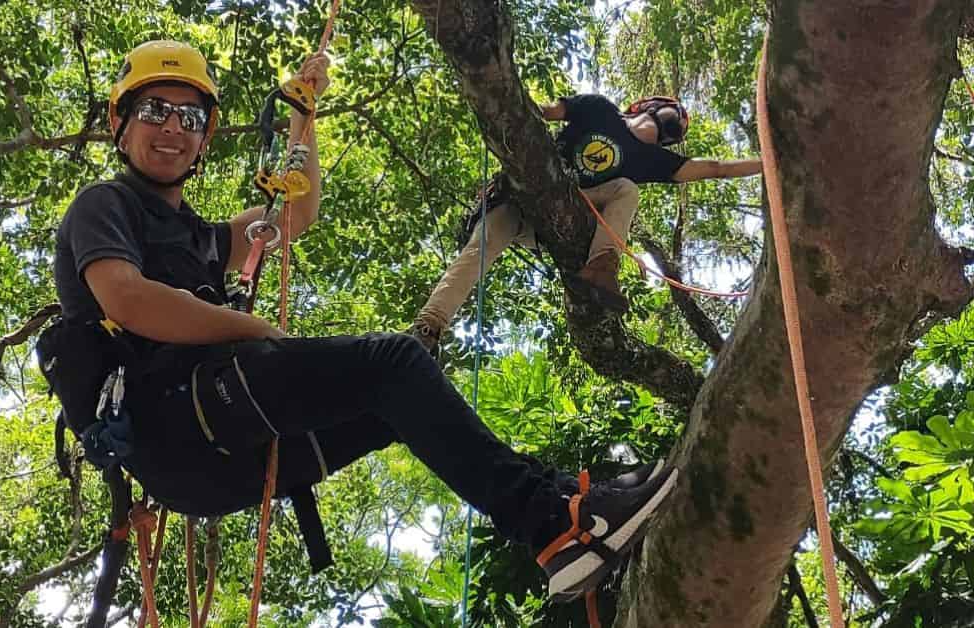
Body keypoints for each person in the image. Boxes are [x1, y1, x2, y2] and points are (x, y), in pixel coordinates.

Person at [38, 40, 678, 600]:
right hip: (176, 419)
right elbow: (126, 298)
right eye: (155, 111)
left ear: (205, 134)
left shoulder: (198, 236)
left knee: (396, 397)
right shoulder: (107, 204)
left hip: (212, 455)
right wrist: (255, 329)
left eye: (190, 116)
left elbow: (293, 217)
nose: (172, 128)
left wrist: (302, 117)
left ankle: (560, 517)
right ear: (120, 121)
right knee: (394, 360)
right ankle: (557, 522)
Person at [408, 93, 762, 349]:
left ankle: (601, 269)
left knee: (626, 189)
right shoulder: (599, 109)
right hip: (520, 198)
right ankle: (429, 327)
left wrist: (768, 163)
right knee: (478, 251)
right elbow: (542, 112)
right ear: (647, 107)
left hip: (568, 210)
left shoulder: (656, 161)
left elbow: (717, 169)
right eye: (674, 113)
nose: (675, 120)